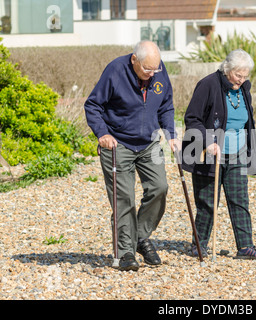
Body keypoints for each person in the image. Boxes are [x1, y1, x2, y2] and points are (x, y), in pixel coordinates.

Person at [84, 40, 180, 271]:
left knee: (160, 188)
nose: (151, 74)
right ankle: (126, 251)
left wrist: (171, 134)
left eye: (155, 69)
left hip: (148, 142)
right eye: (147, 69)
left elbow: (166, 105)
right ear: (134, 60)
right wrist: (102, 134)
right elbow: (93, 105)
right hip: (119, 143)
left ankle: (140, 237)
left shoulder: (158, 69)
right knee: (124, 198)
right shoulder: (116, 70)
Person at [181, 49, 256, 261]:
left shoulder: (243, 88)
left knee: (240, 200)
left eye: (245, 76)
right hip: (208, 153)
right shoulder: (208, 85)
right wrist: (208, 142)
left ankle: (245, 246)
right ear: (227, 69)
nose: (242, 80)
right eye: (238, 75)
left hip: (238, 152)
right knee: (208, 203)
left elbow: (248, 120)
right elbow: (192, 119)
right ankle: (199, 245)